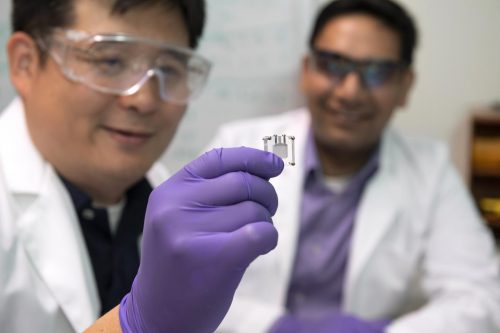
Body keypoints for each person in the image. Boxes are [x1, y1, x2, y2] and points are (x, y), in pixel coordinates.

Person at [208, 0, 500, 332]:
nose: (350, 92)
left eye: (377, 72)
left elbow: (481, 299)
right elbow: (183, 274)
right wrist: (273, 326)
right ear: (306, 71)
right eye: (333, 64)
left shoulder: (430, 171)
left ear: (405, 86)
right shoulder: (242, 147)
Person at [0, 0, 284, 332]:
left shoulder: (157, 189)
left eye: (168, 69)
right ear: (25, 64)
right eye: (110, 61)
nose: (144, 100)